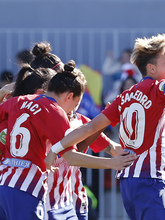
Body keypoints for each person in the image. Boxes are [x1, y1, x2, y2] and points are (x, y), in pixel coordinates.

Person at [45, 21, 165, 220]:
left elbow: (91, 127)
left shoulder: (125, 96)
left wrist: (55, 149)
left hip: (129, 183)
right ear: (151, 69)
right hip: (150, 183)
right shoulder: (159, 89)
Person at [0, 62, 136, 220]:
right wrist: (112, 164)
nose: (74, 110)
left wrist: (3, 91)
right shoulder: (56, 113)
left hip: (9, 186)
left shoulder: (19, 102)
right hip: (31, 192)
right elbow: (71, 156)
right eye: (76, 104)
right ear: (69, 96)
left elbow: (108, 145)